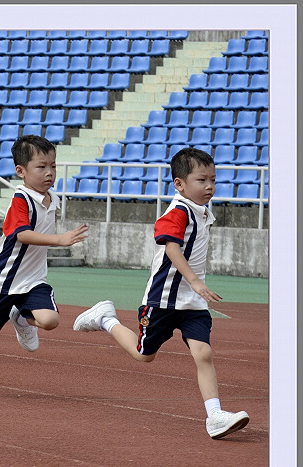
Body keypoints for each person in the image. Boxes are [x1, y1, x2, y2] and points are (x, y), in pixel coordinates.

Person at [72, 147, 249, 439]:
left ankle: (215, 415)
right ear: (179, 184)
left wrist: (195, 288)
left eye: (213, 180)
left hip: (193, 303)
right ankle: (106, 318)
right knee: (144, 355)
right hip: (163, 299)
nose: (210, 186)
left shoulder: (203, 211)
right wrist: (195, 281)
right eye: (202, 180)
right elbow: (171, 248)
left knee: (203, 352)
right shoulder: (178, 211)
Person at [0, 135, 88, 407]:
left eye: (53, 166)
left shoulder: (52, 199)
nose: (49, 172)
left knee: (50, 320)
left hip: (34, 280)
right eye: (41, 167)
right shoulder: (20, 200)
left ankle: (22, 318)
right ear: (21, 171)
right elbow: (22, 235)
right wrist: (60, 240)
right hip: (5, 281)